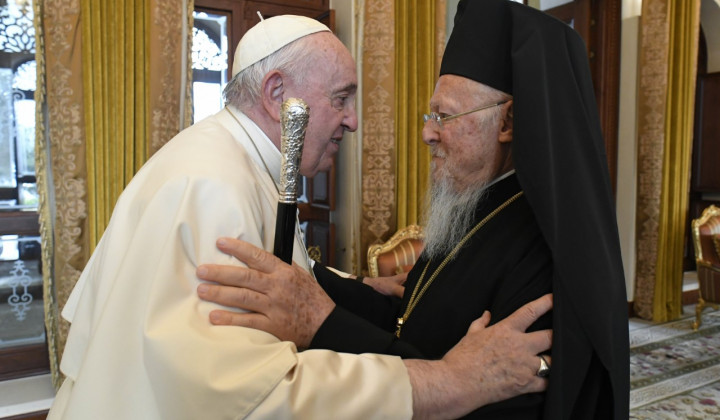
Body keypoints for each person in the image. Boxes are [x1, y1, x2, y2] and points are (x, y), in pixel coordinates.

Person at [47, 14, 552, 420]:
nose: (353, 120)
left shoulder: (226, 161)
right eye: (341, 98)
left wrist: (340, 288)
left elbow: (271, 274)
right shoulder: (212, 188)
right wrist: (449, 382)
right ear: (275, 93)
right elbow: (255, 395)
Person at [196, 1, 630, 419]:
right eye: (430, 113)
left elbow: (492, 393)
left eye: (444, 116)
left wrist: (321, 321)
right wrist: (318, 283)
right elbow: (408, 321)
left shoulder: (543, 249)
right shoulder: (469, 207)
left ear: (509, 122)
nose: (426, 132)